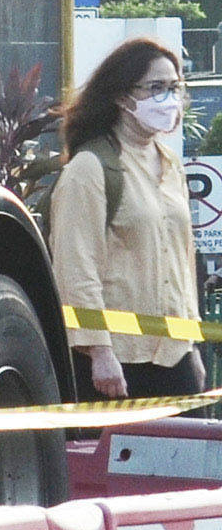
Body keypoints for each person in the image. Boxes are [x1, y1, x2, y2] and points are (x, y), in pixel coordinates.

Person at [51, 36, 203, 402]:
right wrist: (100, 352)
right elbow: (76, 266)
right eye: (156, 88)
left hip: (174, 358)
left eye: (174, 88)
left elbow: (182, 263)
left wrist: (192, 346)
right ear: (122, 97)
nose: (168, 99)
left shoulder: (170, 164)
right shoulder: (90, 169)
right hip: (117, 364)